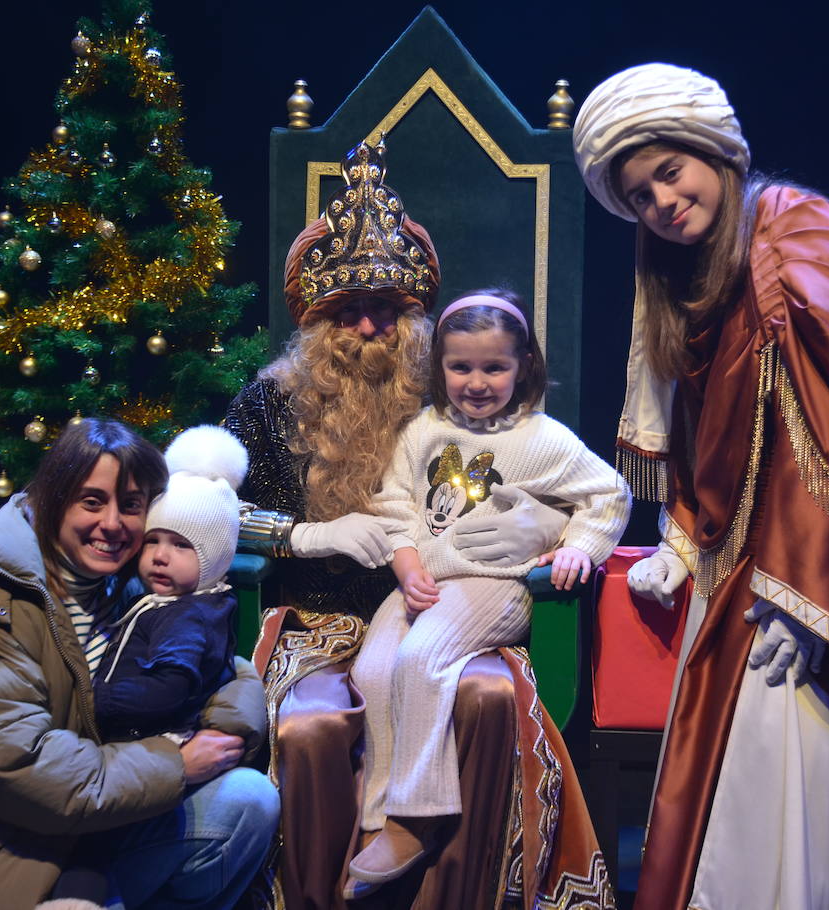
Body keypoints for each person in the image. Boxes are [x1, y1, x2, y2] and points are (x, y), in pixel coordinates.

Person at [573, 63, 829, 909]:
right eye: (639, 195)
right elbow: (707, 438)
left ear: (714, 152)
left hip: (806, 591)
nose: (662, 201)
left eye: (670, 172)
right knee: (725, 797)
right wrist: (677, 536)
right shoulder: (686, 278)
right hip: (730, 574)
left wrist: (814, 595)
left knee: (789, 776)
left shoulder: (799, 235)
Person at [225, 140, 616, 909]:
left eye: (388, 309)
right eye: (347, 310)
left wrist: (540, 533)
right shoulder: (269, 404)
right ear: (316, 316)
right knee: (309, 731)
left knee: (487, 699)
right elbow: (203, 514)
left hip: (459, 605)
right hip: (320, 621)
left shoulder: (450, 397)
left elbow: (563, 488)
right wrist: (306, 535)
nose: (368, 326)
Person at [0, 418, 279, 910]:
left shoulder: (124, 588)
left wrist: (225, 730)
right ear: (52, 498)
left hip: (85, 836)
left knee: (247, 800)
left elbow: (220, 666)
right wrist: (179, 763)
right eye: (92, 501)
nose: (112, 523)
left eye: (130, 506)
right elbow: (18, 768)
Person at [346, 291, 631, 893]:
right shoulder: (424, 429)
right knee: (373, 669)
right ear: (440, 368)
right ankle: (377, 814)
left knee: (422, 658)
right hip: (426, 581)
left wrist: (578, 547)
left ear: (523, 365)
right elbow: (395, 502)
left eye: (494, 367)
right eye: (461, 367)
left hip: (495, 584)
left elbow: (609, 495)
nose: (477, 382)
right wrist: (403, 562)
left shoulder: (543, 438)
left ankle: (417, 815)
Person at [51, 424, 266, 903]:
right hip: (116, 766)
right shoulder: (156, 601)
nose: (160, 557)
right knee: (87, 860)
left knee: (93, 858)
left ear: (212, 560)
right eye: (153, 541)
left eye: (181, 546)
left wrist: (91, 698)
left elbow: (168, 686)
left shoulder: (188, 616)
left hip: (149, 750)